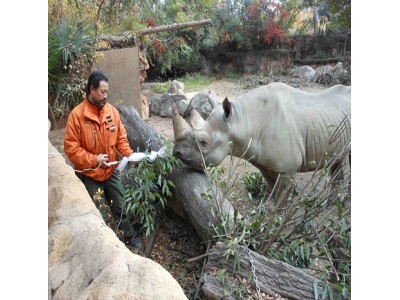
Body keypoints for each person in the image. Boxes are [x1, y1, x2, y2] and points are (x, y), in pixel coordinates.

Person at [64, 70, 157, 251]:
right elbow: (71, 149)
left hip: (111, 171)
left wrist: (128, 154)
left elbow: (121, 138)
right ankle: (106, 247)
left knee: (120, 206)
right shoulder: (77, 116)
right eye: (103, 92)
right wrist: (94, 159)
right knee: (99, 213)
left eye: (107, 92)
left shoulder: (111, 112)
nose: (106, 95)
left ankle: (130, 238)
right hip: (91, 174)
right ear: (92, 89)